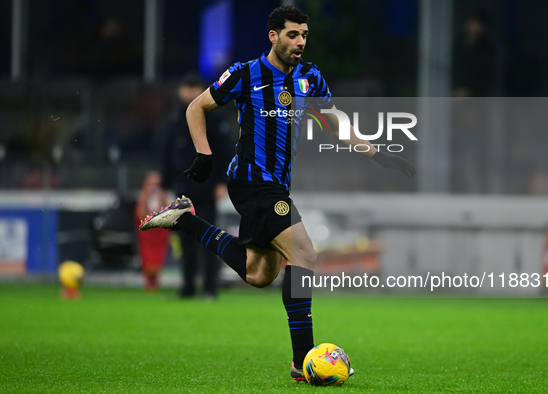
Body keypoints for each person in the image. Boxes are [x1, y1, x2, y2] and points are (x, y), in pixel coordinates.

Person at [140, 5, 415, 381]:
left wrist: (378, 152)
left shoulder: (310, 78)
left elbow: (336, 126)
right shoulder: (244, 74)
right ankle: (301, 362)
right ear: (273, 36)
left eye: (304, 35)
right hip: (252, 182)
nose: (300, 42)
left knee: (258, 273)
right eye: (292, 34)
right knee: (304, 251)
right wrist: (204, 154)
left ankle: (187, 221)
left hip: (276, 185)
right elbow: (195, 108)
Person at [161, 74, 233, 299]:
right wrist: (165, 185)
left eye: (195, 88)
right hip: (183, 188)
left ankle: (211, 287)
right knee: (185, 241)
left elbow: (225, 152)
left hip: (207, 187)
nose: (190, 92)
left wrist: (222, 181)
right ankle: (188, 286)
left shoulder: (213, 118)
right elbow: (168, 154)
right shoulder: (175, 119)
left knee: (209, 238)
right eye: (187, 87)